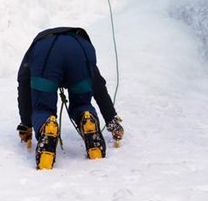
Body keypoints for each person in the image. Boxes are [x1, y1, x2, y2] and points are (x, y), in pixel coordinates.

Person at [15, 27, 125, 170]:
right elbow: (97, 83)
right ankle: (88, 118)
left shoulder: (37, 49)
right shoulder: (76, 44)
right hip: (80, 50)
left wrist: (26, 124)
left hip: (47, 55)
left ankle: (46, 125)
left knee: (43, 108)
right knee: (82, 103)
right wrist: (111, 119)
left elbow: (24, 82)